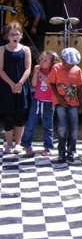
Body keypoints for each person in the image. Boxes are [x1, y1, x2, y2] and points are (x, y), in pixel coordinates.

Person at [0, 21, 32, 154]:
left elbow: (28, 68)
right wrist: (12, 84)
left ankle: (18, 144)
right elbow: (0, 70)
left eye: (17, 34)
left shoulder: (25, 49)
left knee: (20, 113)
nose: (15, 36)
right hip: (6, 86)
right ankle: (8, 144)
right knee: (8, 114)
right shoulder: (2, 49)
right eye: (12, 34)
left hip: (21, 86)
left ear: (21, 36)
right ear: (7, 35)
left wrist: (19, 83)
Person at [48, 47, 82, 163]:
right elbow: (52, 84)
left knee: (74, 128)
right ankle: (61, 152)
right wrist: (59, 98)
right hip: (60, 103)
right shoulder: (56, 68)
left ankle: (71, 151)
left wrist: (81, 104)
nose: (71, 66)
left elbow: (79, 87)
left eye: (73, 64)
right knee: (62, 127)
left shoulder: (77, 70)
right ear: (62, 60)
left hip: (73, 102)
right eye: (69, 64)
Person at [21, 51, 58, 157]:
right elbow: (33, 84)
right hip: (37, 101)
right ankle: (27, 146)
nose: (41, 62)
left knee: (48, 126)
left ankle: (47, 147)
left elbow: (51, 84)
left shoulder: (54, 71)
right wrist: (36, 73)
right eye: (40, 59)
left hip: (49, 103)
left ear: (52, 62)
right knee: (30, 124)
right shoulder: (38, 70)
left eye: (45, 60)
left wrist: (42, 74)